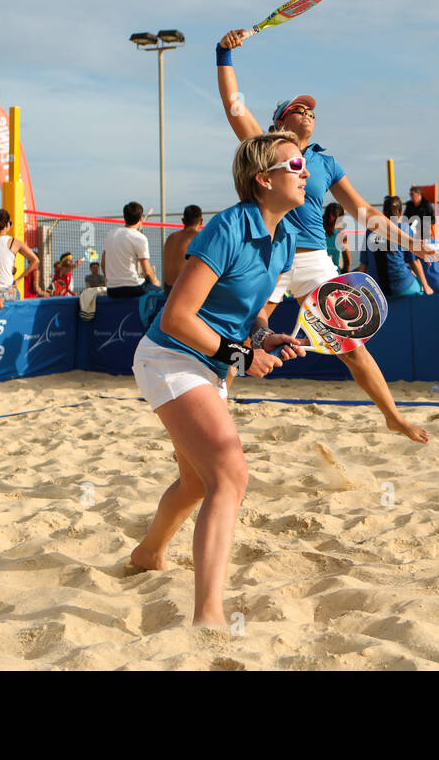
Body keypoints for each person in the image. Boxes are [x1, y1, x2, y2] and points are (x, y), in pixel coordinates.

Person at [216, 28, 439, 444]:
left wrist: (411, 242)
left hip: (315, 259)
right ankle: (210, 425)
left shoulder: (325, 161)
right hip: (271, 255)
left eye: (314, 111)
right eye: (300, 108)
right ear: (281, 120)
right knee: (240, 338)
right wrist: (223, 55)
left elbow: (364, 212)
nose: (309, 113)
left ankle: (392, 416)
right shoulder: (269, 149)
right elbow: (233, 108)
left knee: (351, 348)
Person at [128, 132, 308, 625]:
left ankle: (147, 553)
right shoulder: (228, 228)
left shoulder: (286, 238)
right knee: (230, 475)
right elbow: (177, 317)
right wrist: (241, 356)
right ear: (263, 180)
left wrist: (264, 336)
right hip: (170, 358)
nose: (305, 171)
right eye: (294, 165)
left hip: (211, 365)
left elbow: (245, 314)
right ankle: (208, 616)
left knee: (194, 483)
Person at [371, 196, 432, 297]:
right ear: (400, 212)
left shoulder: (370, 230)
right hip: (402, 285)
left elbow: (364, 265)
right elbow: (414, 262)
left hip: (377, 288)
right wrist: (426, 286)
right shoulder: (405, 229)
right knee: (419, 291)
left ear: (383, 211)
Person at [103, 202, 161, 298]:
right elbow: (147, 271)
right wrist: (155, 282)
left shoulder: (110, 234)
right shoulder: (140, 238)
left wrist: (111, 281)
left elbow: (103, 263)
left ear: (124, 217)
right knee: (159, 291)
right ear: (141, 218)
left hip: (112, 290)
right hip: (133, 288)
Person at [0, 209, 40, 300]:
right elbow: (35, 260)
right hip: (7, 292)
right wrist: (18, 279)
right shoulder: (13, 243)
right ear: (7, 225)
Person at [161, 205, 204, 295]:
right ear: (201, 221)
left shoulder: (171, 238)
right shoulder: (200, 238)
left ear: (183, 221)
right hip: (184, 290)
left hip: (168, 289)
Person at [324, 202, 350, 274]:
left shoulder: (317, 233)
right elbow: (347, 262)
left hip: (319, 276)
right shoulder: (341, 235)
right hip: (335, 276)